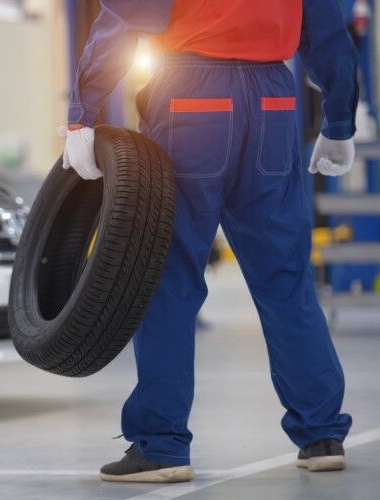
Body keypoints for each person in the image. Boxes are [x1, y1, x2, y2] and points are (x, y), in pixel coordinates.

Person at [64, 0, 358, 483]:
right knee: (286, 278)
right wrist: (339, 120)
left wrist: (83, 113)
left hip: (191, 98)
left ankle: (161, 446)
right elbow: (327, 32)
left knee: (168, 277)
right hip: (275, 101)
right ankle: (322, 435)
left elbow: (124, 18)